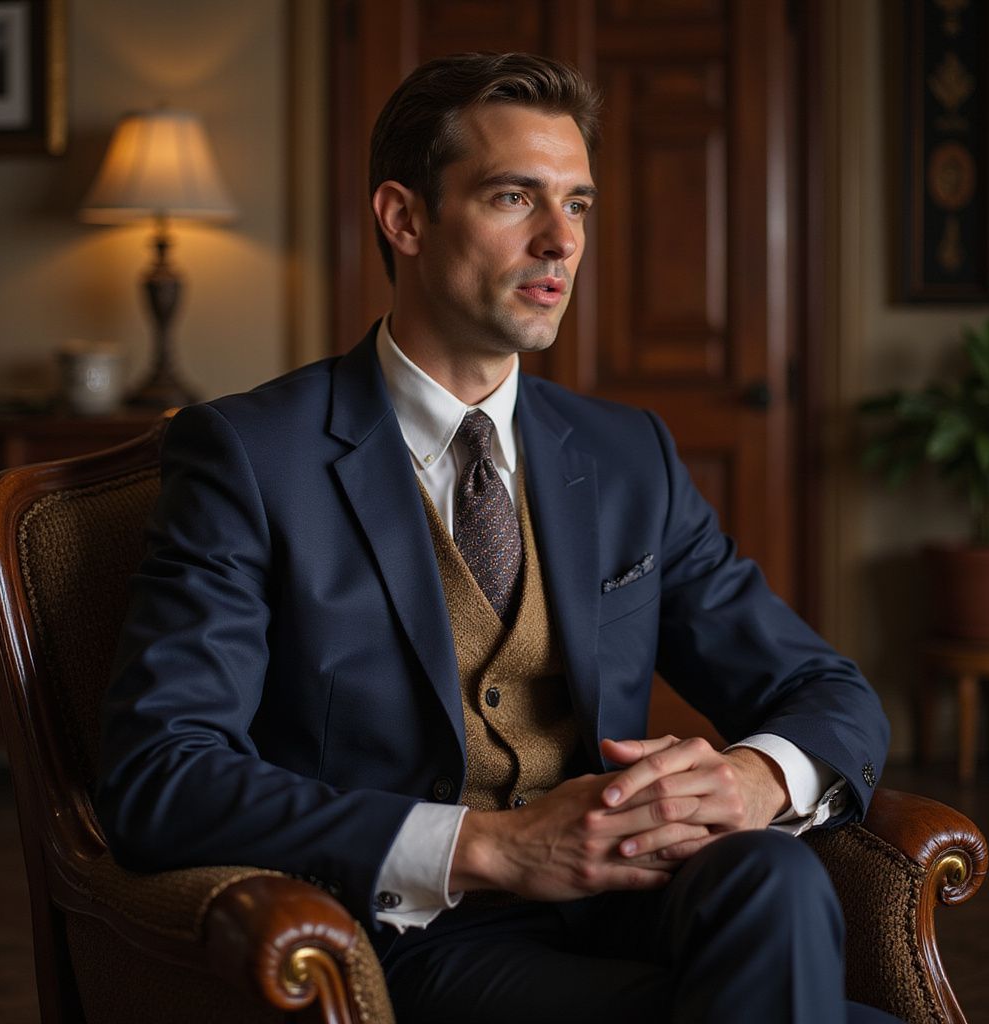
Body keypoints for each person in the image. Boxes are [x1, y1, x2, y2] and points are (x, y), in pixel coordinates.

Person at [97, 52, 900, 1024]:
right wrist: (483, 844)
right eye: (514, 197)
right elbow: (162, 773)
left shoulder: (625, 454)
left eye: (579, 204)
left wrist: (752, 774)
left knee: (771, 875)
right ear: (403, 218)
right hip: (409, 934)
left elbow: (827, 690)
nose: (561, 241)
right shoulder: (248, 457)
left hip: (625, 896)